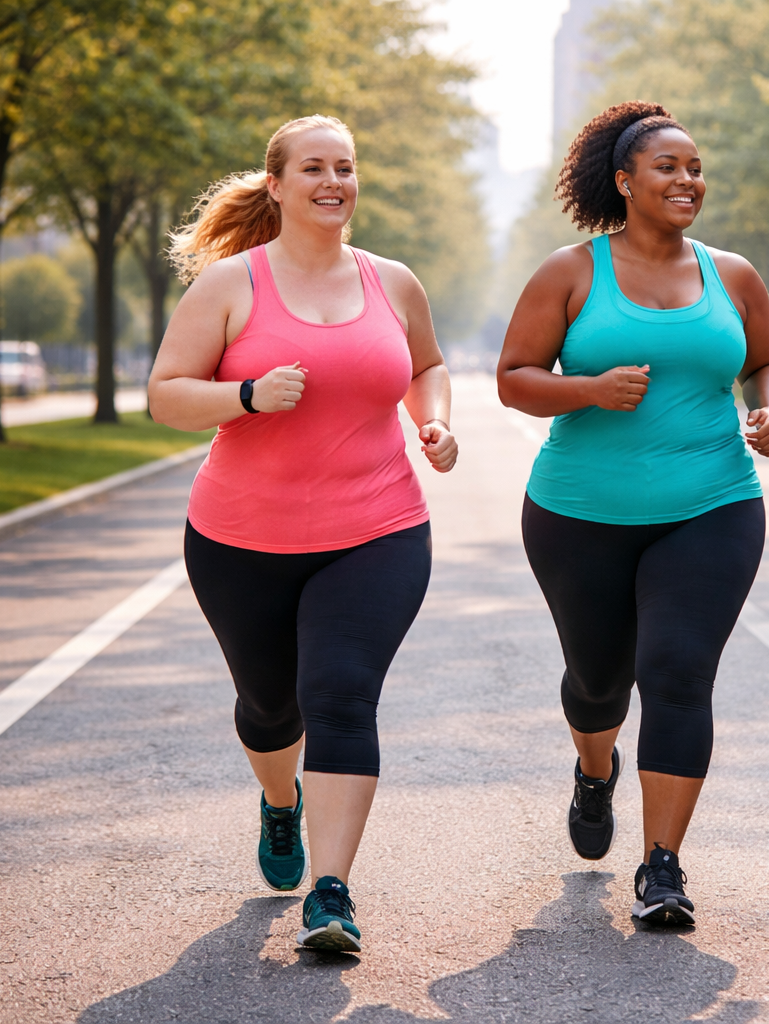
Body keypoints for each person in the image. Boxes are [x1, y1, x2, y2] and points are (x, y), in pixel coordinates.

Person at [149, 114, 458, 953]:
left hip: (378, 529)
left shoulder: (393, 282)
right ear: (277, 184)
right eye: (314, 168)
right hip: (240, 538)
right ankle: (279, 803)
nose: (333, 182)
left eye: (346, 168)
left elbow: (427, 366)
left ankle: (332, 892)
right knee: (270, 704)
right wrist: (245, 396)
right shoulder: (229, 286)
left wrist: (432, 423)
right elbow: (167, 394)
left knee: (342, 696)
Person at [498, 101, 769, 926]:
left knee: (677, 672)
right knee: (599, 682)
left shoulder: (731, 274)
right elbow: (514, 377)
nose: (687, 179)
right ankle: (595, 770)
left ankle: (663, 866)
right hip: (579, 512)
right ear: (624, 182)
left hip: (714, 503)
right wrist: (587, 389)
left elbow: (766, 362)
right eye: (668, 167)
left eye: (695, 167)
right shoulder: (571, 272)